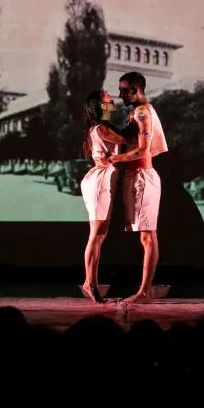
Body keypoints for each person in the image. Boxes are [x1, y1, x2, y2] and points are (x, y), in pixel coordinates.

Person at [105, 72, 168, 305]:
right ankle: (144, 291)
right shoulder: (137, 111)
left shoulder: (142, 111)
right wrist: (105, 110)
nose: (120, 94)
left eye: (124, 90)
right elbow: (118, 135)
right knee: (145, 236)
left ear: (136, 90)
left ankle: (143, 292)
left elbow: (143, 149)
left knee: (147, 236)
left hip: (142, 176)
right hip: (136, 176)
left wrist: (114, 161)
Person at [78, 90, 127, 303]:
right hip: (100, 181)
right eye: (108, 98)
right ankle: (90, 283)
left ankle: (91, 283)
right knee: (96, 235)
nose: (112, 100)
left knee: (99, 236)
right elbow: (126, 139)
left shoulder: (99, 128)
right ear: (100, 105)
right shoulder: (101, 129)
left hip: (102, 179)